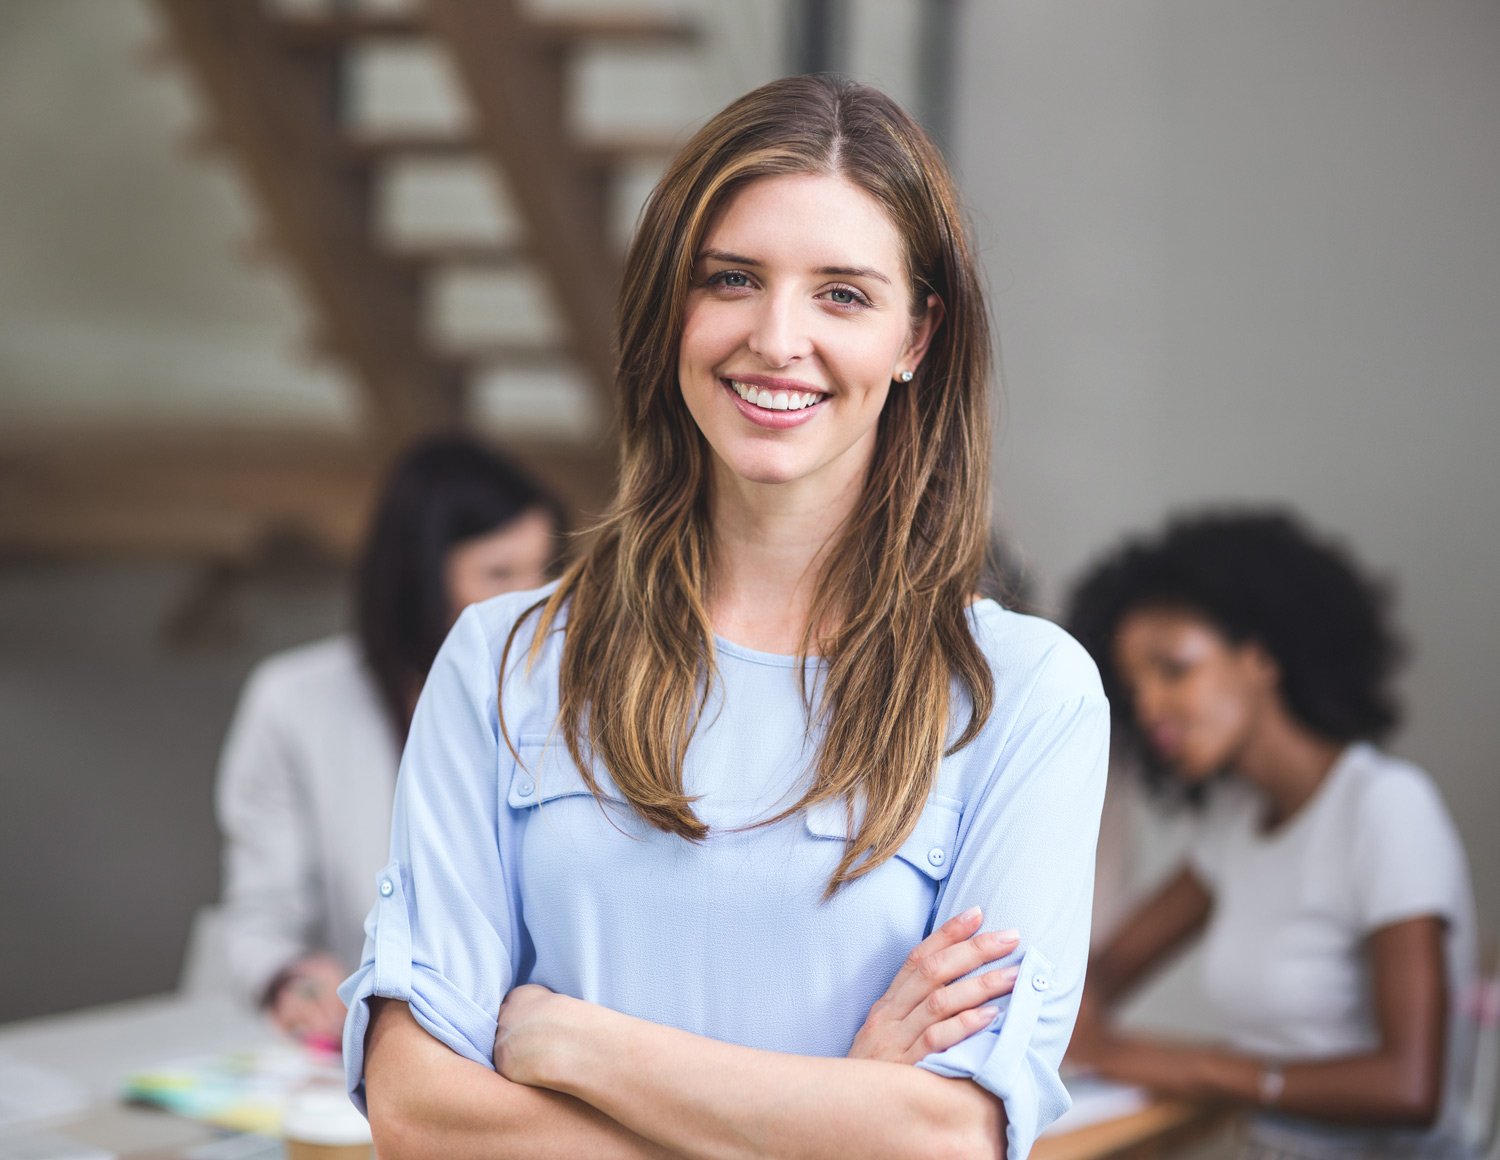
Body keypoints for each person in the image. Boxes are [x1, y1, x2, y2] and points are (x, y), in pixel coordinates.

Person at [342, 75, 1109, 1159]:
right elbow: (419, 1113)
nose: (777, 338)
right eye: (733, 279)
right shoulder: (504, 660)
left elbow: (949, 1140)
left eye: (842, 294)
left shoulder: (1023, 693)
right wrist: (832, 1117)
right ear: (674, 308)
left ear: (917, 336)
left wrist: (579, 1043)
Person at [1064, 509, 1478, 1159]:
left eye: (1173, 669)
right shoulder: (1234, 825)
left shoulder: (1385, 807)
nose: (1150, 707)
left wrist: (1172, 1064)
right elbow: (1102, 973)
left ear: (1259, 657)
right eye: (1134, 688)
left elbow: (1410, 1087)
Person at [215, 435, 563, 1046]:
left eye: (547, 572)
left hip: (524, 1045)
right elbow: (261, 917)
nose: (534, 604)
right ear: (418, 580)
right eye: (499, 573)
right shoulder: (294, 700)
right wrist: (291, 978)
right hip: (358, 1047)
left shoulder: (569, 700)